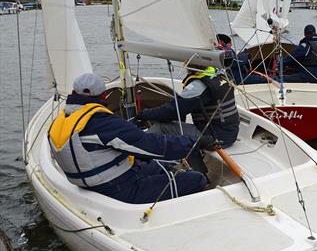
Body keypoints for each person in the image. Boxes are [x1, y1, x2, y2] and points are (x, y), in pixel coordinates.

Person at [48, 73, 207, 204]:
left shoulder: (62, 120)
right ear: (103, 96)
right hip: (119, 187)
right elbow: (151, 146)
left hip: (93, 181)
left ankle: (170, 172)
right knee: (196, 180)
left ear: (74, 93)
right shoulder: (102, 122)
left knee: (162, 165)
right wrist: (194, 144)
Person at [139, 66, 239, 171]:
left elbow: (170, 112)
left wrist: (143, 114)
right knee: (181, 132)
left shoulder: (199, 86)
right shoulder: (219, 75)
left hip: (214, 137)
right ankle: (197, 169)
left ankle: (136, 152)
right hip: (229, 133)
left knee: (162, 127)